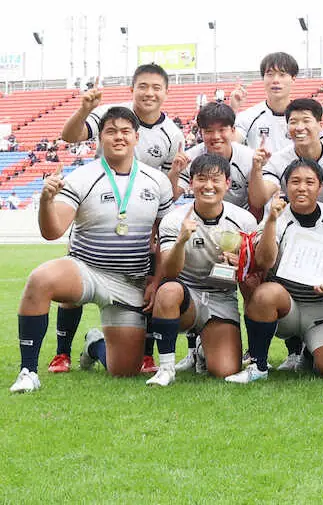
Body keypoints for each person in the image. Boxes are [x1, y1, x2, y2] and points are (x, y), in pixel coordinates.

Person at [11, 107, 174, 393]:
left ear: (137, 137)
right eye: (111, 132)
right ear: (100, 139)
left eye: (125, 132)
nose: (119, 137)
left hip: (130, 281)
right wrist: (47, 202)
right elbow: (52, 232)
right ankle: (28, 371)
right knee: (40, 279)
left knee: (124, 370)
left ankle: (94, 343)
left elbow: (161, 239)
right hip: (86, 269)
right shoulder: (82, 176)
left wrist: (156, 280)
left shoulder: (157, 181)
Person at [57, 64, 185, 374]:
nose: (149, 92)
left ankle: (134, 351)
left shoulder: (173, 134)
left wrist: (175, 176)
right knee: (73, 283)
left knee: (147, 286)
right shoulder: (111, 114)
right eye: (143, 86)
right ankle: (61, 353)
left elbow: (166, 187)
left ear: (166, 92)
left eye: (156, 87)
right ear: (133, 89)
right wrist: (84, 108)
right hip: (99, 213)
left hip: (140, 221)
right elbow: (70, 136)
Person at [226, 159, 323, 383]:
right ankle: (258, 364)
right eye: (295, 182)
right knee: (266, 293)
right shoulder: (276, 217)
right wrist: (272, 221)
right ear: (285, 186)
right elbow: (265, 261)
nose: (302, 187)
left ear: (320, 187)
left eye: (309, 182)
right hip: (288, 307)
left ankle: (309, 351)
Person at [145, 154, 259, 386]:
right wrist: (180, 242)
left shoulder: (244, 220)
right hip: (187, 297)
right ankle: (166, 369)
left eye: (216, 180)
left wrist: (241, 264)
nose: (208, 186)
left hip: (222, 298)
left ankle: (201, 347)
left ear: (227, 183)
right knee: (168, 291)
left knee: (225, 370)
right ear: (191, 183)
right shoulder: (175, 220)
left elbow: (253, 272)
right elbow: (170, 272)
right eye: (201, 179)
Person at [249, 98, 323, 212]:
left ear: (321, 125)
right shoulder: (277, 161)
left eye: (306, 121)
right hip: (296, 221)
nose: (299, 128)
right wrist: (257, 169)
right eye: (293, 122)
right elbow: (259, 201)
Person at [177, 102, 256, 210]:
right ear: (200, 133)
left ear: (233, 130)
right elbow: (172, 196)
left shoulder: (249, 158)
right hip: (203, 217)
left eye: (222, 130)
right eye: (209, 131)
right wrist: (174, 171)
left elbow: (257, 204)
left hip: (240, 219)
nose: (216, 136)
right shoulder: (189, 158)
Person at [234, 52, 300, 154]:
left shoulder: (304, 117)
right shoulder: (249, 116)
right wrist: (233, 109)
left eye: (282, 74)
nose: (275, 80)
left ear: (293, 79)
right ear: (263, 78)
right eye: (270, 74)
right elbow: (230, 143)